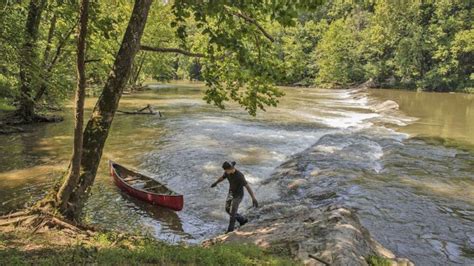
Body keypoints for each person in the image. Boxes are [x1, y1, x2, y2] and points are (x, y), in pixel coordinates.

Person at [211, 161, 258, 233]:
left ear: (231, 168)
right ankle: (243, 220)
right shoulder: (227, 173)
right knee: (227, 209)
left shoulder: (239, 176)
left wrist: (253, 198)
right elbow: (222, 177)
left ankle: (230, 230)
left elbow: (247, 187)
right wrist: (216, 182)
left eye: (226, 170)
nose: (225, 171)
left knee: (233, 212)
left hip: (238, 195)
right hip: (231, 193)